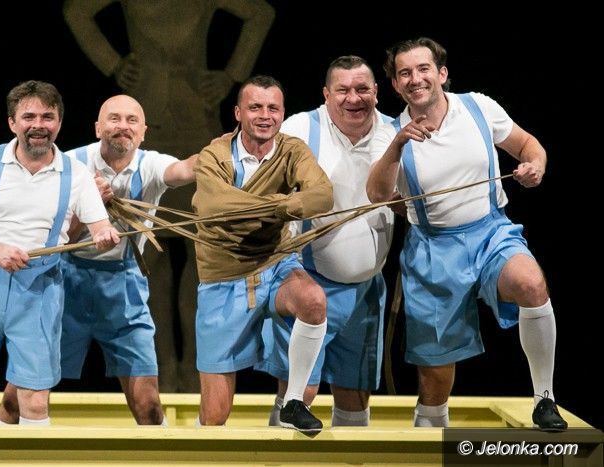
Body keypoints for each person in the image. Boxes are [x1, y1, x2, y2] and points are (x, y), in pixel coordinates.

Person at [63, 0, 275, 393]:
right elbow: (76, 10)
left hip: (196, 117)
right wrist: (114, 63)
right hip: (147, 123)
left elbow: (260, 12)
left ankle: (195, 366)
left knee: (202, 258)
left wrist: (232, 74)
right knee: (150, 258)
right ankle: (160, 367)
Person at [366, 37, 567, 431]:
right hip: (432, 249)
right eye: (404, 73)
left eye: (423, 69)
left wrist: (536, 166)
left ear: (441, 73)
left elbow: (529, 146)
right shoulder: (388, 131)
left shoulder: (478, 107)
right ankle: (430, 433)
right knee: (434, 379)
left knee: (530, 284)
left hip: (490, 234)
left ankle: (545, 398)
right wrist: (398, 145)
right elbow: (376, 194)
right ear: (395, 85)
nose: (415, 78)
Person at [0, 95, 198, 426]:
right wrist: (89, 204)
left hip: (124, 288)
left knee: (148, 405)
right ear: (98, 128)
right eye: (114, 119)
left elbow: (184, 169)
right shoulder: (69, 165)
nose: (123, 126)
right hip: (65, 283)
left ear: (143, 131)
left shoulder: (150, 165)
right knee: (18, 397)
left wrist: (225, 151)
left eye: (132, 120)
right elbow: (55, 236)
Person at [0, 80, 120, 426]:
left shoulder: (76, 174)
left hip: (40, 288)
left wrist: (105, 235)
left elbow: (100, 226)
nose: (38, 125)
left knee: (35, 403)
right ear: (12, 123)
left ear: (59, 123)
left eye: (47, 117)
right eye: (29, 117)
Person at [254, 56, 395, 427]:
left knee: (355, 399)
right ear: (326, 94)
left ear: (376, 92)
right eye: (343, 90)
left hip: (367, 291)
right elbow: (258, 178)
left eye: (362, 89)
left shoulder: (393, 133)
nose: (354, 98)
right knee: (299, 396)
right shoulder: (300, 128)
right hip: (310, 283)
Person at [192, 75, 333, 433]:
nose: (265, 116)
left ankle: (293, 403)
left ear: (283, 114)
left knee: (313, 300)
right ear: (238, 113)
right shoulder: (215, 154)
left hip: (275, 262)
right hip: (223, 276)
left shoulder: (292, 150)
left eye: (273, 108)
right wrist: (281, 206)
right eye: (255, 107)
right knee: (215, 415)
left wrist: (266, 208)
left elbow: (322, 195)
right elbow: (212, 206)